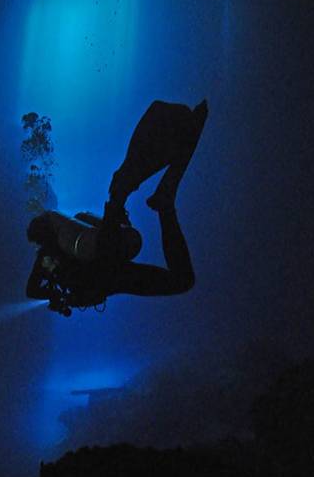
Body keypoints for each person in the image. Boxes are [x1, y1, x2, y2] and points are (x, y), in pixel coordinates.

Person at [26, 99, 208, 315]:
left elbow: (32, 290)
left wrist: (56, 296)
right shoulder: (57, 248)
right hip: (113, 267)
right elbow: (33, 291)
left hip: (109, 269)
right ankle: (161, 203)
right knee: (181, 281)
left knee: (181, 281)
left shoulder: (47, 255)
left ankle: (153, 202)